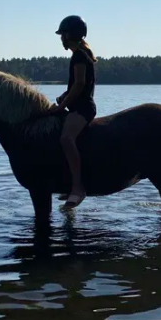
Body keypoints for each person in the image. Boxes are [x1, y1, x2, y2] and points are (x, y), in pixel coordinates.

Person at [46, 14, 98, 208]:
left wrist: (62, 105)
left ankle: (78, 188)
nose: (61, 39)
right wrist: (64, 96)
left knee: (66, 139)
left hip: (83, 108)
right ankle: (67, 184)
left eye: (63, 35)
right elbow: (76, 86)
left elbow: (80, 84)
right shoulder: (82, 53)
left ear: (70, 36)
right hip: (77, 105)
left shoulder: (79, 55)